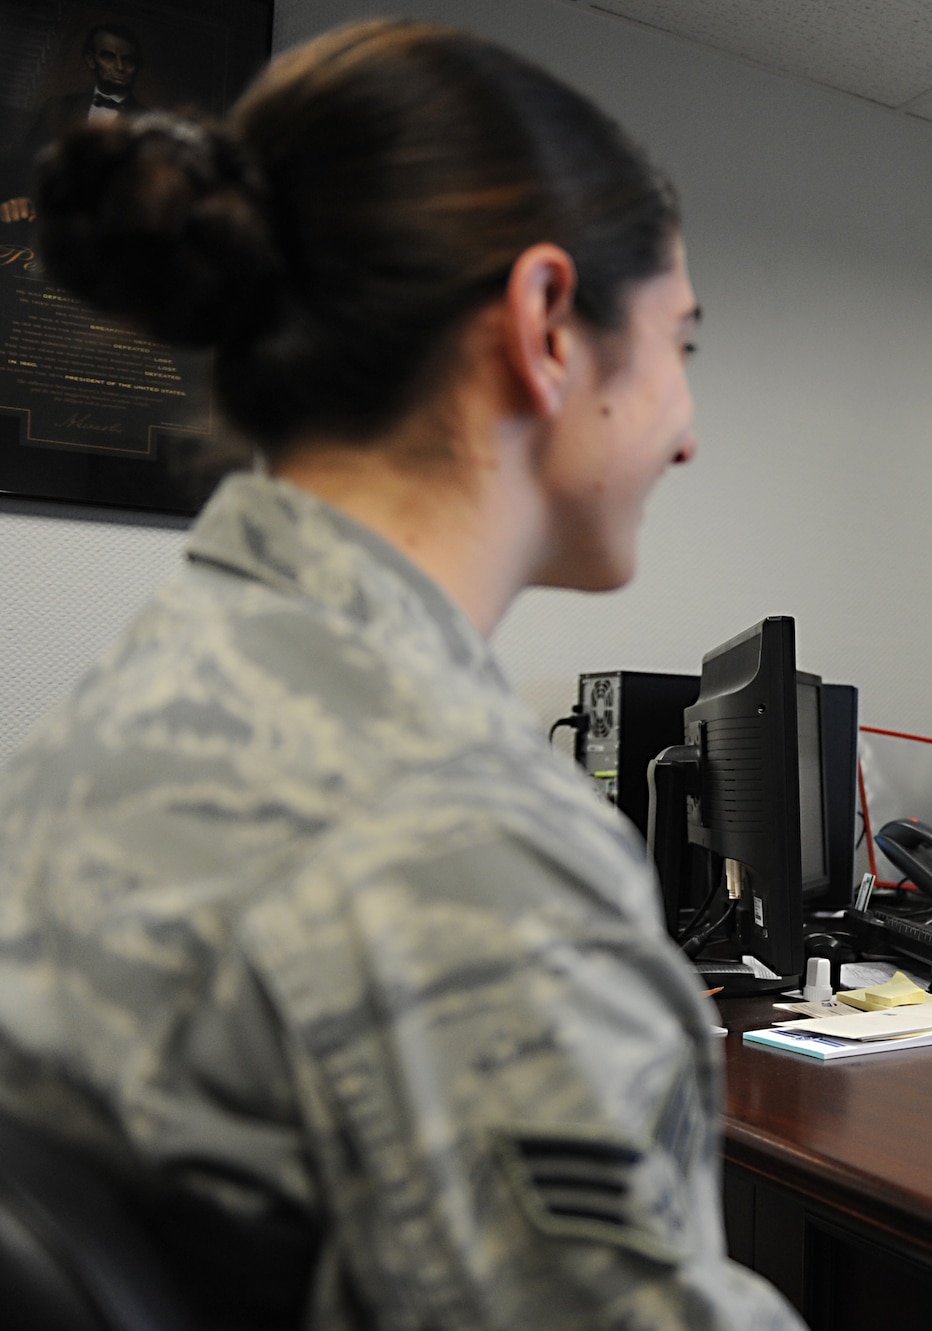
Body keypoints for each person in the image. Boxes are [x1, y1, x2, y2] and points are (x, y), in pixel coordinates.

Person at [0, 20, 801, 1330]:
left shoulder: (138, 698)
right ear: (548, 322)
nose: (689, 431)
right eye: (681, 349)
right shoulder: (457, 836)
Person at [2, 23, 148, 224]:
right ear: (91, 59)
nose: (119, 67)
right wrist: (17, 200)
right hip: (47, 223)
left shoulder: (150, 124)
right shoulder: (57, 107)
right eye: (108, 56)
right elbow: (26, 164)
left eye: (128, 60)